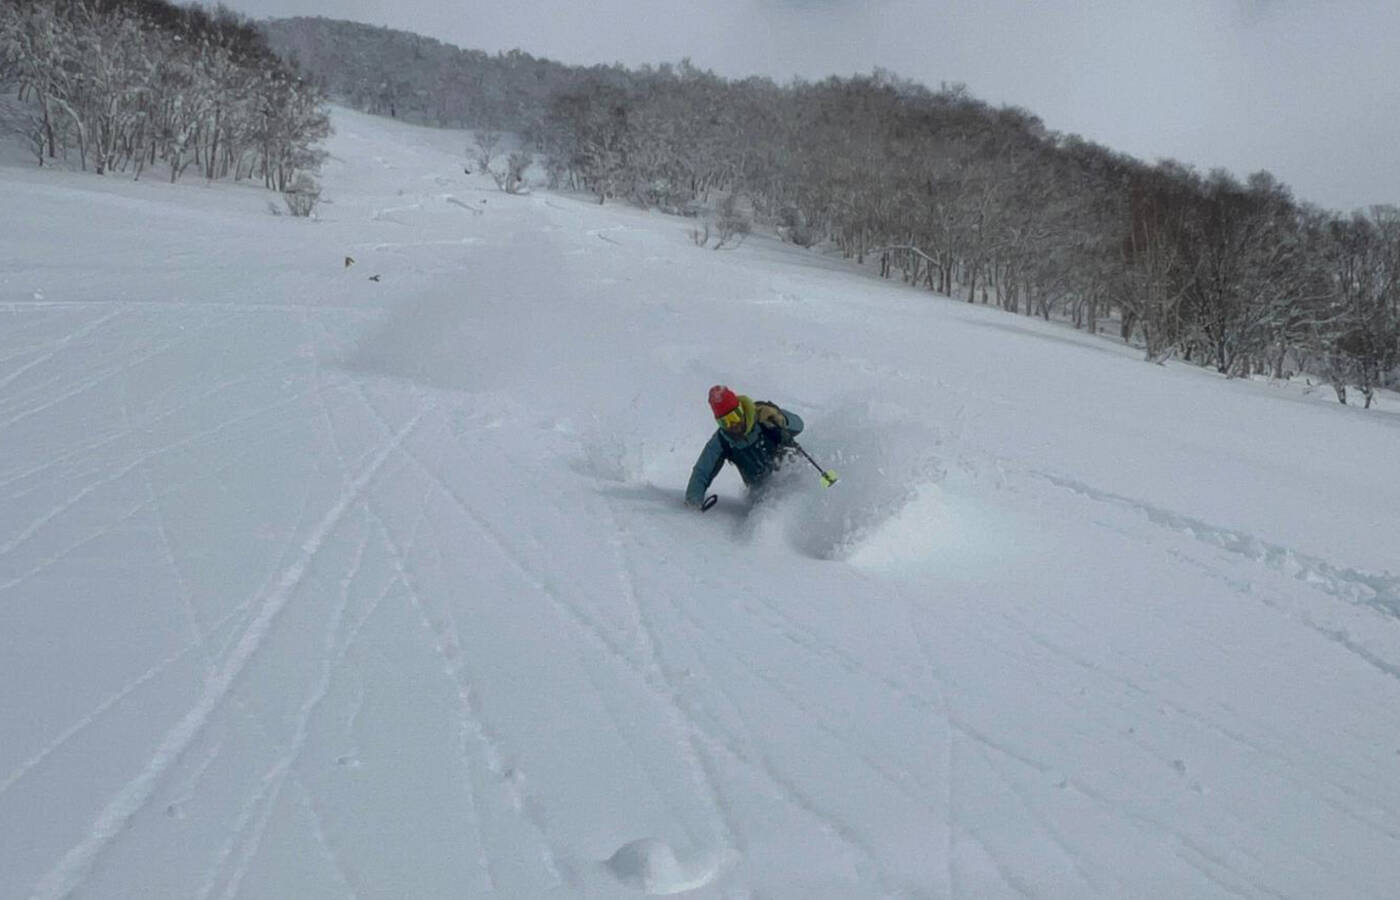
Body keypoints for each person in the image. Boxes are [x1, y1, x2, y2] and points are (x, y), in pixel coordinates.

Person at [685, 385, 804, 508]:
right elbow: (702, 472)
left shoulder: (764, 416)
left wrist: (781, 417)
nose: (732, 424)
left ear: (741, 410)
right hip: (766, 496)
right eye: (724, 422)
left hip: (796, 476)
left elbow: (799, 425)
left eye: (734, 416)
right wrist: (693, 504)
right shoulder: (722, 440)